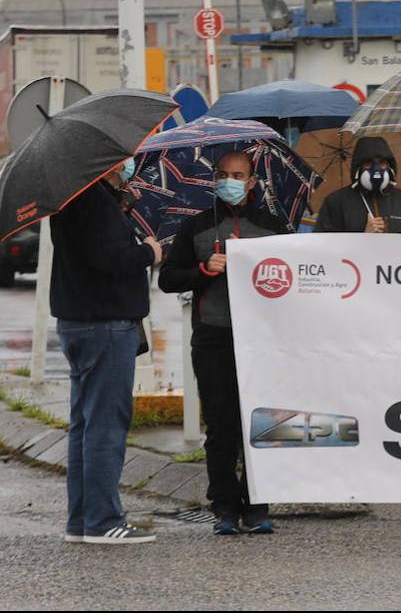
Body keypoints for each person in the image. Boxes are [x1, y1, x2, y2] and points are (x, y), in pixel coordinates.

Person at [158, 151, 290, 536]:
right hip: (213, 337)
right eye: (223, 174)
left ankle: (258, 504)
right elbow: (168, 279)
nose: (230, 181)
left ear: (252, 182)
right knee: (221, 425)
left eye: (238, 175)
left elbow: (294, 279)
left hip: (263, 340)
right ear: (213, 179)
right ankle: (225, 507)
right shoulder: (196, 227)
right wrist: (203, 270)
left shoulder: (273, 227)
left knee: (262, 423)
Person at [51, 156, 163, 545]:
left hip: (78, 321)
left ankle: (81, 519)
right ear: (105, 161)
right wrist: (150, 252)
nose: (127, 165)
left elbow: (91, 249)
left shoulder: (73, 196)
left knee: (84, 423)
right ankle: (103, 520)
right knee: (105, 425)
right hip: (105, 325)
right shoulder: (93, 201)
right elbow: (111, 259)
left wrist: (121, 206)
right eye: (122, 160)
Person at [314, 137, 401, 234]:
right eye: (368, 163)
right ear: (358, 168)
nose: (376, 169)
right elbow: (324, 248)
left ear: (390, 166)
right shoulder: (336, 202)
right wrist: (364, 236)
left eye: (382, 162)